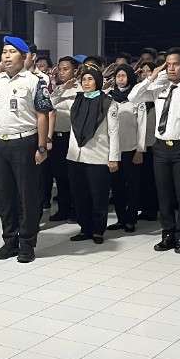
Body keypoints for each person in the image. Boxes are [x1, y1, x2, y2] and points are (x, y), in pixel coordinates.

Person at [129, 49, 180, 254]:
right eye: (168, 64)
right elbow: (133, 97)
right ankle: (168, 234)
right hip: (160, 147)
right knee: (163, 193)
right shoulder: (159, 88)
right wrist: (152, 76)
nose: (171, 68)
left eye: (175, 64)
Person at [0, 36, 52, 262]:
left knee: (27, 196)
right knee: (5, 196)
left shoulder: (34, 81)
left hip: (25, 143)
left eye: (11, 52)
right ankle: (9, 241)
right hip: (0, 144)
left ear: (24, 57)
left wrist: (42, 146)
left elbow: (42, 115)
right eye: (4, 52)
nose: (6, 56)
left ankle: (27, 243)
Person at [67, 65, 118, 244]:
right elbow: (51, 101)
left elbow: (114, 132)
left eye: (90, 79)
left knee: (99, 196)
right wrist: (64, 87)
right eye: (84, 79)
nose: (86, 83)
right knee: (79, 196)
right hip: (75, 156)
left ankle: (98, 230)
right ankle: (85, 228)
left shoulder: (108, 103)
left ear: (98, 81)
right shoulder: (76, 99)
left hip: (98, 156)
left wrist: (113, 158)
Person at [107, 64, 145, 232]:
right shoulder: (109, 97)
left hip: (131, 149)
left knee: (133, 186)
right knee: (117, 186)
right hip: (113, 151)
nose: (120, 79)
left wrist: (140, 150)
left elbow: (142, 125)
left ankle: (131, 219)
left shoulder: (136, 97)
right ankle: (121, 219)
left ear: (130, 77)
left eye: (124, 75)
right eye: (118, 76)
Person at [47, 56, 79, 221]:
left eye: (66, 69)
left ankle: (76, 210)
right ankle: (63, 209)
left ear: (75, 71)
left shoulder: (81, 88)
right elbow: (47, 106)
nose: (62, 72)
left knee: (74, 176)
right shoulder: (57, 89)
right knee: (60, 176)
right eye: (60, 69)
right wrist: (61, 90)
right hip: (57, 138)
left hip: (73, 138)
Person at [134, 61, 159, 222]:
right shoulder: (138, 92)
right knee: (142, 178)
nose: (145, 74)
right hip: (139, 143)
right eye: (142, 71)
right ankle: (144, 206)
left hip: (156, 142)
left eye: (149, 71)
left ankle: (153, 208)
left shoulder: (159, 90)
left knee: (153, 178)